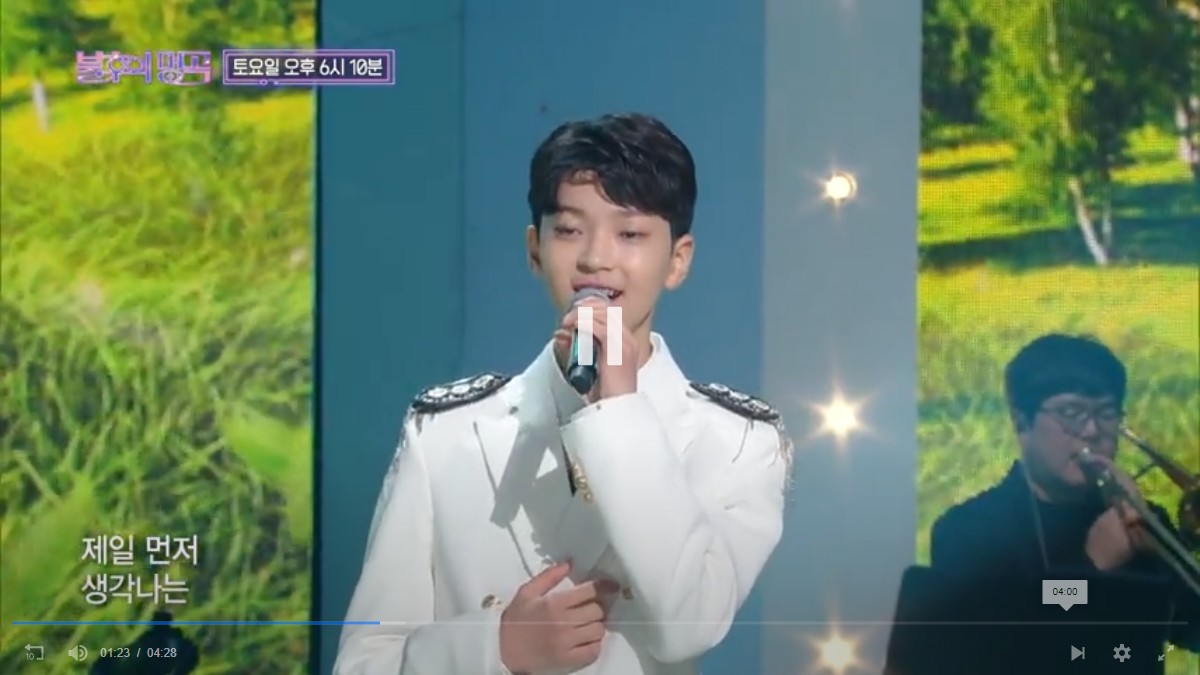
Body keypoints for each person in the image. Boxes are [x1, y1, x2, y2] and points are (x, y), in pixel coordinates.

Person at [333, 113, 792, 675]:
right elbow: (363, 662)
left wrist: (619, 411)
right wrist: (495, 650)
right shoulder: (445, 433)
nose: (596, 258)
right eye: (570, 230)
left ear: (678, 260)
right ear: (534, 249)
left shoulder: (739, 442)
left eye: (630, 234)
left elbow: (689, 625)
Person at [929, 333, 1200, 652]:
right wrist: (1094, 564)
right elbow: (1004, 637)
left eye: (1106, 414)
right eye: (1071, 413)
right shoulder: (967, 531)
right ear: (1021, 422)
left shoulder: (1136, 519)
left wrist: (1184, 542)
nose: (1092, 431)